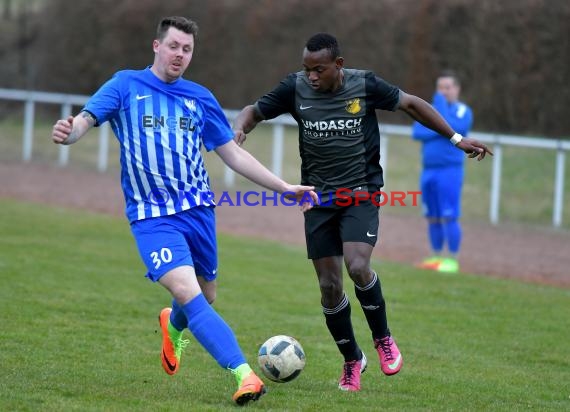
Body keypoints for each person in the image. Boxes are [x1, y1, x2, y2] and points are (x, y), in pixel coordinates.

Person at [51, 16, 318, 406]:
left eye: (187, 49)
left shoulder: (199, 97)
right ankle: (244, 375)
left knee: (205, 296)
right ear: (157, 46)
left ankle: (172, 324)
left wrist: (283, 187)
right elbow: (85, 121)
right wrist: (69, 131)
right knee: (187, 292)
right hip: (152, 217)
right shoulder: (125, 84)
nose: (180, 54)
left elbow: (233, 154)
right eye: (174, 46)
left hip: (199, 212)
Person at [232, 33, 491, 392]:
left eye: (319, 69)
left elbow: (412, 104)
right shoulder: (295, 88)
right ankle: (352, 359)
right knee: (328, 285)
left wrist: (456, 138)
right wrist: (239, 128)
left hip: (360, 193)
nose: (311, 76)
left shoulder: (364, 85)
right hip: (318, 199)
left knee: (357, 265)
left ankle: (383, 338)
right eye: (306, 69)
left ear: (338, 65)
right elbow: (253, 110)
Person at [412, 71, 473, 274]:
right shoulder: (429, 111)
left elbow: (457, 127)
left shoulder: (463, 110)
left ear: (457, 89)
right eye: (440, 88)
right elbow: (417, 132)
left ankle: (452, 260)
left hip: (450, 171)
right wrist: (444, 132)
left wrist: (441, 113)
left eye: (447, 87)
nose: (443, 92)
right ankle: (436, 257)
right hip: (428, 171)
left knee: (449, 215)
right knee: (432, 216)